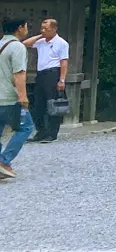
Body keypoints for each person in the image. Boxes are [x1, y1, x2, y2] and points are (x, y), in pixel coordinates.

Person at [23, 14, 67, 143]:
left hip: (53, 73)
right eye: (42, 28)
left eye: (46, 28)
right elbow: (25, 43)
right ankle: (40, 131)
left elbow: (64, 62)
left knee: (52, 103)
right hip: (41, 74)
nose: (43, 30)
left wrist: (62, 80)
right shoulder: (41, 42)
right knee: (38, 104)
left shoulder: (61, 43)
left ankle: (52, 133)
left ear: (54, 29)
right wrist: (41, 35)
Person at [0, 16, 33, 179]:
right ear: (20, 28)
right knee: (26, 127)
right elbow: (19, 73)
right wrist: (23, 97)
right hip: (9, 97)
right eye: (26, 26)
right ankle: (4, 161)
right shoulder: (17, 47)